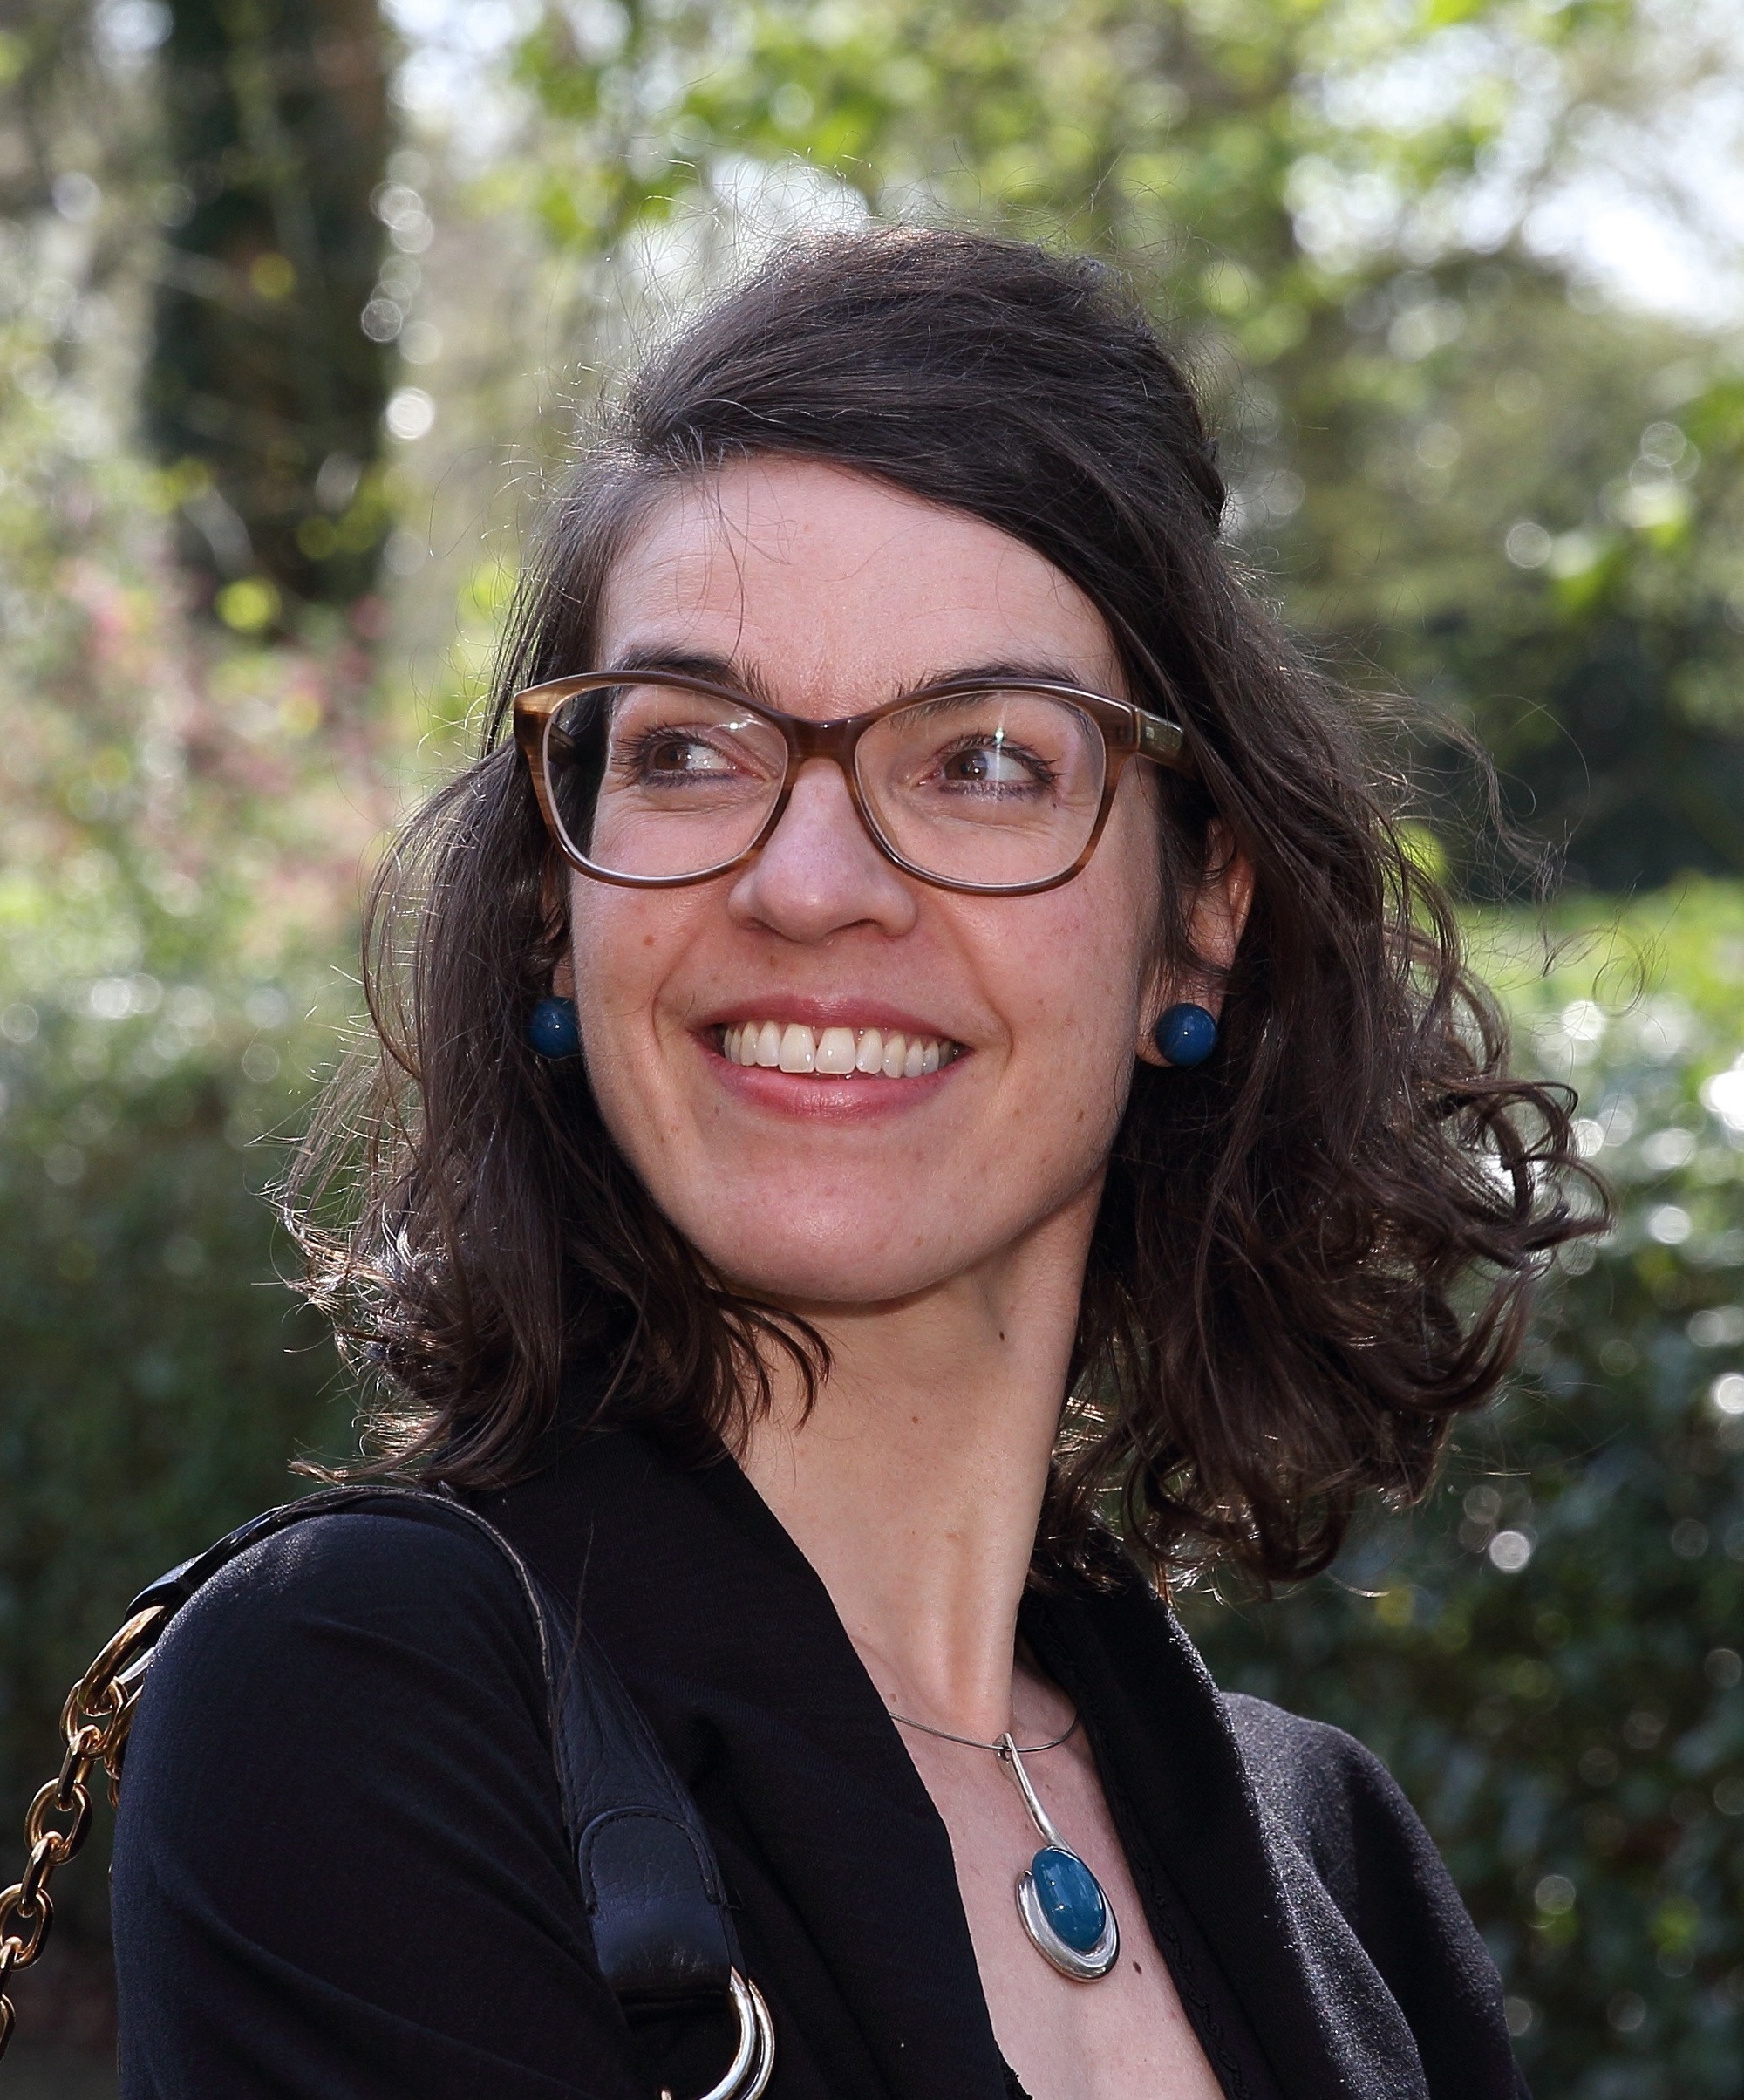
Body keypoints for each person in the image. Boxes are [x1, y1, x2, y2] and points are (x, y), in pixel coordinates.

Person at [111, 228, 1591, 2100]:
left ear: (1201, 913)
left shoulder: (1342, 1876)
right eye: (688, 750)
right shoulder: (362, 1700)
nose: (809, 885)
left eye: (985, 761)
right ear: (557, 901)